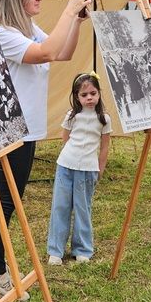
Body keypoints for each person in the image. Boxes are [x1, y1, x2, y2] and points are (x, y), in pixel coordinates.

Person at [0, 0, 93, 298]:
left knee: (9, 201)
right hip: (13, 131)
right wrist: (68, 10)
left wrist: (76, 21)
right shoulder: (4, 34)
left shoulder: (28, 29)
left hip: (28, 129)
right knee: (5, 203)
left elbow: (62, 53)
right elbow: (45, 52)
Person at [46, 73, 112, 266]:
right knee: (60, 206)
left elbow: (105, 146)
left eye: (93, 93)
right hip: (66, 166)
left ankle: (82, 249)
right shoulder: (72, 116)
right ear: (77, 96)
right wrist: (70, 156)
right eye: (84, 95)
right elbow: (65, 138)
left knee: (83, 208)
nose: (89, 98)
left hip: (88, 169)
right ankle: (55, 250)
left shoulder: (104, 119)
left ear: (99, 93)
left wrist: (100, 168)